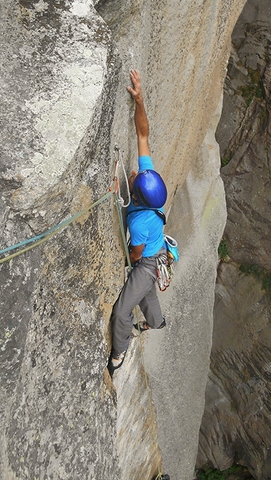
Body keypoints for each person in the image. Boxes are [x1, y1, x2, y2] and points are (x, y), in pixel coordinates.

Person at [108, 69, 167, 376]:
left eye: (134, 176)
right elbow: (143, 134)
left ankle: (120, 351)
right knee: (146, 293)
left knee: (121, 310)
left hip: (145, 261)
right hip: (155, 255)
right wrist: (139, 99)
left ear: (138, 197)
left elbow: (135, 255)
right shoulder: (149, 184)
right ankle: (156, 322)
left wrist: (130, 257)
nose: (134, 172)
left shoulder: (142, 219)